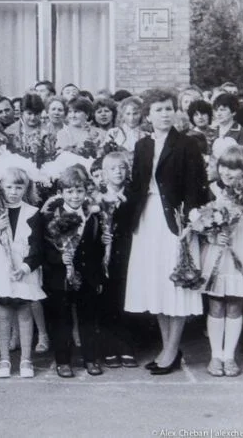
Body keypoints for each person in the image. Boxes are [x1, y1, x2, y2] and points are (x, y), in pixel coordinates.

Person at [124, 89, 208, 375]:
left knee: (175, 285)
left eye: (169, 109)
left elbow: (196, 187)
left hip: (175, 222)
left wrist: (190, 223)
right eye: (158, 110)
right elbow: (137, 186)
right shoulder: (142, 146)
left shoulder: (187, 144)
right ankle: (166, 347)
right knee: (157, 284)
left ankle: (172, 349)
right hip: (148, 220)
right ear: (148, 115)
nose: (164, 114)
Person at [202, 146, 243, 378]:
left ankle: (229, 356)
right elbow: (200, 221)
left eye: (234, 168)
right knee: (216, 303)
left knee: (236, 303)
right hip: (218, 248)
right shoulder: (211, 190)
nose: (227, 172)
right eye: (224, 166)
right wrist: (212, 235)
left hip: (242, 248)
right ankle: (215, 355)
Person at [0, 167, 46, 378]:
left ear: (26, 188)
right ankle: (4, 359)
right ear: (1, 187)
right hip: (2, 268)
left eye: (19, 187)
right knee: (4, 314)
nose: (13, 192)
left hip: (24, 268)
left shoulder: (33, 213)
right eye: (9, 187)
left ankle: (26, 360)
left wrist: (25, 267)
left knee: (25, 312)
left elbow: (38, 247)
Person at [43, 166, 106, 378]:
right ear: (61, 193)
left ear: (86, 192)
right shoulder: (51, 217)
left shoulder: (93, 217)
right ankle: (63, 361)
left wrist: (97, 276)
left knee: (88, 318)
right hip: (60, 278)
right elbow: (45, 248)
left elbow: (96, 249)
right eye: (69, 191)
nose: (75, 196)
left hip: (86, 276)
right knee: (61, 319)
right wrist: (58, 258)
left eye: (79, 191)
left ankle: (90, 358)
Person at [99, 152, 138, 368]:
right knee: (107, 301)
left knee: (125, 298)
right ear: (104, 173)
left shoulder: (132, 196)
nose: (118, 172)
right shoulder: (97, 197)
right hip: (104, 254)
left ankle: (126, 346)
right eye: (113, 169)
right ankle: (108, 347)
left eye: (122, 168)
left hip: (126, 252)